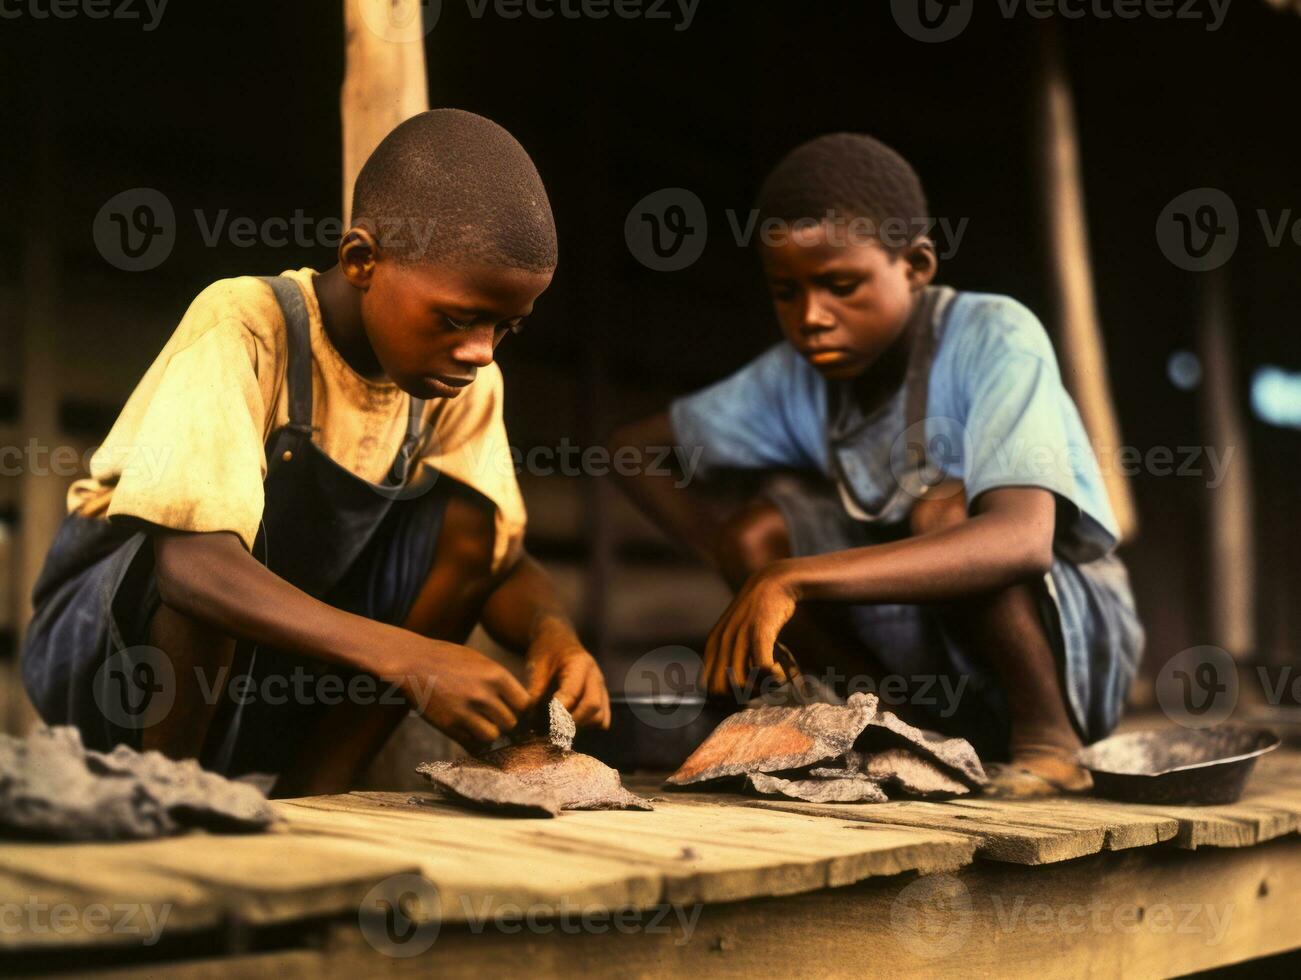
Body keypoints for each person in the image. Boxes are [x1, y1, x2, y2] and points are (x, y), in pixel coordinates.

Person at [23, 109, 609, 796]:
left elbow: (495, 563)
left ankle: (312, 798)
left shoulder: (460, 385)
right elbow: (190, 572)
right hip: (109, 660)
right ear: (362, 261)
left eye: (505, 327)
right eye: (456, 319)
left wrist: (552, 633)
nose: (480, 351)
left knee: (472, 528)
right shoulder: (248, 323)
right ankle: (166, 805)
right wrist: (412, 660)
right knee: (202, 550)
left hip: (267, 674)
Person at [611, 133, 1143, 796]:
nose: (811, 317)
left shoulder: (992, 334)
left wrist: (790, 580)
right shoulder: (792, 376)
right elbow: (631, 450)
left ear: (915, 265)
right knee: (754, 537)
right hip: (926, 652)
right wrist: (732, 561)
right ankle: (906, 727)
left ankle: (1047, 743)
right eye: (785, 292)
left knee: (944, 511)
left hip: (1070, 650)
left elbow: (1022, 540)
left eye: (841, 286)